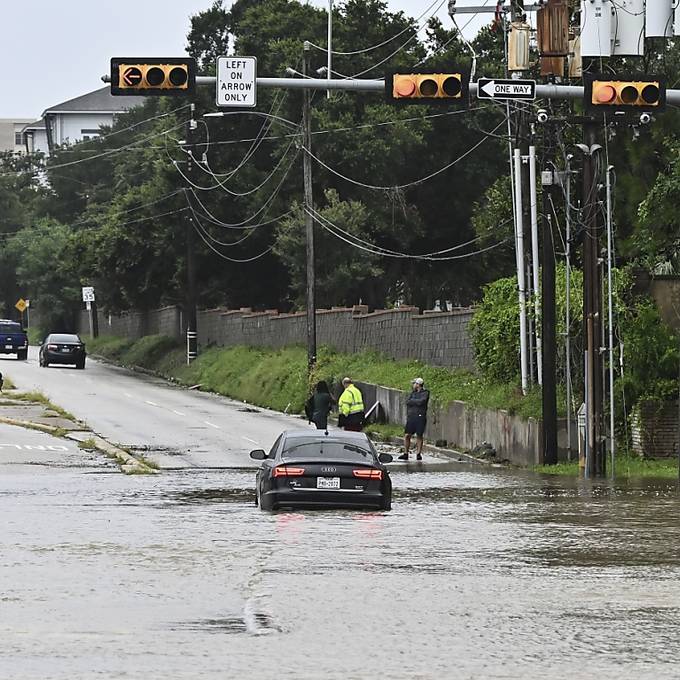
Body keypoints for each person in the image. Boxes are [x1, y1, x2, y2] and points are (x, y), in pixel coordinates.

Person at [398, 377, 430, 461]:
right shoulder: (413, 393)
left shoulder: (425, 393)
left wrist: (413, 401)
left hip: (420, 416)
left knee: (419, 435)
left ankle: (418, 453)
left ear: (418, 384)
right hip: (411, 416)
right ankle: (406, 453)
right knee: (407, 435)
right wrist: (414, 401)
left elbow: (421, 402)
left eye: (414, 383)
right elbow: (408, 401)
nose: (413, 385)